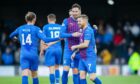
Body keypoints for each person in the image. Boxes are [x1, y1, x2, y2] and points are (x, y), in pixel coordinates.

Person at [9, 11, 60, 84]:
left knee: (24, 74)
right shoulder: (36, 29)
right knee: (34, 75)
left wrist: (17, 39)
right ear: (34, 19)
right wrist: (58, 38)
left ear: (26, 19)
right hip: (33, 55)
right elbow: (45, 39)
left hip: (24, 54)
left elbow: (11, 35)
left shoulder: (20, 28)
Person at [71, 14, 102, 84]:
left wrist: (75, 46)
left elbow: (85, 44)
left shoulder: (88, 30)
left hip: (89, 56)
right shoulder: (83, 31)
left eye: (79, 21)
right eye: (77, 21)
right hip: (82, 56)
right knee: (81, 76)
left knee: (92, 77)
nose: (78, 23)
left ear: (85, 21)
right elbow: (82, 44)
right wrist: (75, 52)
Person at [61, 3, 82, 84]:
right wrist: (72, 34)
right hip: (68, 49)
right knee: (65, 70)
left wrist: (95, 30)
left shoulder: (83, 20)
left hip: (79, 49)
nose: (74, 13)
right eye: (73, 11)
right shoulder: (66, 21)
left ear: (80, 11)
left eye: (76, 11)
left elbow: (89, 32)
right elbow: (61, 34)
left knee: (76, 71)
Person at [40, 14, 62, 84]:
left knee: (51, 70)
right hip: (59, 49)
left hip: (49, 49)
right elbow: (62, 37)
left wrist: (42, 50)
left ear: (48, 19)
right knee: (57, 67)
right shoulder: (60, 27)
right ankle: (57, 82)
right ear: (55, 19)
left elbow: (42, 39)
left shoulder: (46, 27)